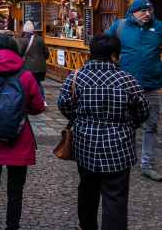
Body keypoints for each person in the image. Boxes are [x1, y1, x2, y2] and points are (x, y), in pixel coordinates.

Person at [58, 34, 149, 230]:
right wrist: (127, 125)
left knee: (87, 189)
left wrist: (78, 120)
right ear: (115, 55)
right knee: (115, 196)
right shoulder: (127, 80)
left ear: (91, 53)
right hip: (119, 144)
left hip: (85, 142)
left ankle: (87, 225)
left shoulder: (76, 77)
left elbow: (64, 105)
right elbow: (142, 112)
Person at [0, 34, 46, 230]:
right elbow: (38, 106)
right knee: (15, 189)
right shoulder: (26, 76)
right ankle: (12, 225)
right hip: (20, 138)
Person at [105, 0, 162, 182]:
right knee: (124, 123)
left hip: (151, 85)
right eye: (143, 11)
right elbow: (104, 46)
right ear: (133, 12)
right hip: (125, 86)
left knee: (151, 125)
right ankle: (123, 159)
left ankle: (147, 164)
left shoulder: (158, 27)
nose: (147, 14)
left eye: (150, 10)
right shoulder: (119, 26)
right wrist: (112, 68)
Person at [17, 21, 49, 90]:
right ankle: (41, 99)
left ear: (25, 31)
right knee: (38, 84)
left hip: (29, 68)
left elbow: (19, 54)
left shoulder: (22, 41)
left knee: (30, 86)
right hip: (41, 68)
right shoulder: (40, 39)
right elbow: (46, 54)